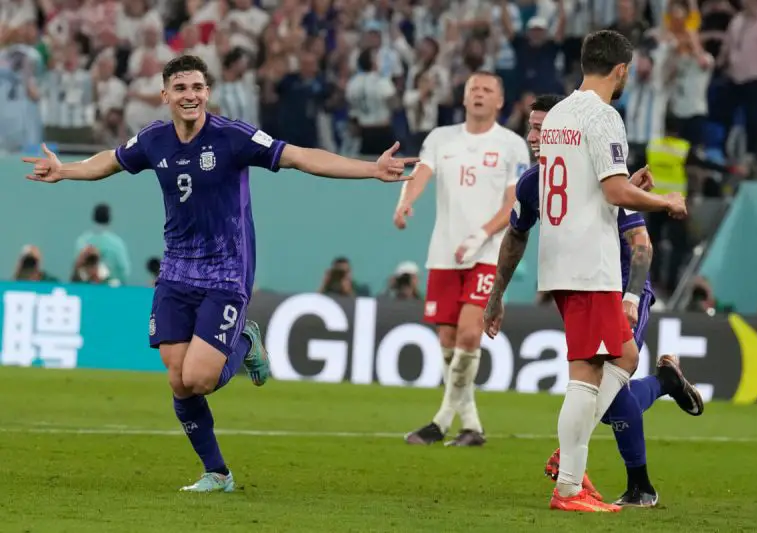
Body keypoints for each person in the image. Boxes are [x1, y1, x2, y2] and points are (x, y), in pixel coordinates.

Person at [22, 55, 417, 493]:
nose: (190, 95)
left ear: (207, 93)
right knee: (178, 379)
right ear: (165, 95)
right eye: (181, 88)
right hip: (176, 270)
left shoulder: (232, 136)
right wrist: (65, 170)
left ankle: (244, 340)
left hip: (225, 271)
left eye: (197, 87)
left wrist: (370, 169)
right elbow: (110, 161)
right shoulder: (154, 139)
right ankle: (218, 473)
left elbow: (301, 157)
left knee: (200, 379)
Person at [485, 30, 688, 512]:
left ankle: (572, 464)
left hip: (561, 258)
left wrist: (627, 185)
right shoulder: (604, 116)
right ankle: (569, 486)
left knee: (624, 356)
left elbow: (588, 185)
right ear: (621, 70)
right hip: (590, 263)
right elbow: (614, 192)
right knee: (588, 372)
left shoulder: (558, 116)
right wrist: (665, 201)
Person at [394, 71, 530, 447]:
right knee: (449, 340)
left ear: (499, 101)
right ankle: (471, 426)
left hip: (487, 253)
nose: (480, 94)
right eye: (474, 89)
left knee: (470, 334)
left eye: (487, 90)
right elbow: (421, 173)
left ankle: (440, 422)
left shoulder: (512, 145)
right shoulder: (441, 138)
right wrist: (405, 202)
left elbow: (514, 203)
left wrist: (481, 235)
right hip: (444, 252)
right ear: (465, 97)